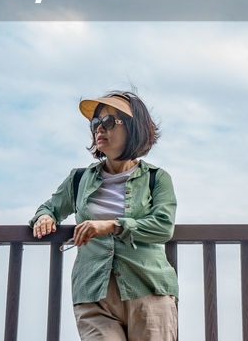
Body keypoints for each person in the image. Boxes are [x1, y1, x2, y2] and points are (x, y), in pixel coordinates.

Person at [30, 91, 179, 340]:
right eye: (95, 123)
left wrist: (112, 225)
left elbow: (163, 227)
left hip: (149, 291)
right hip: (93, 296)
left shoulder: (157, 178)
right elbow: (49, 208)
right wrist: (45, 217)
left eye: (109, 122)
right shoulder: (78, 179)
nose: (99, 128)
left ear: (133, 129)